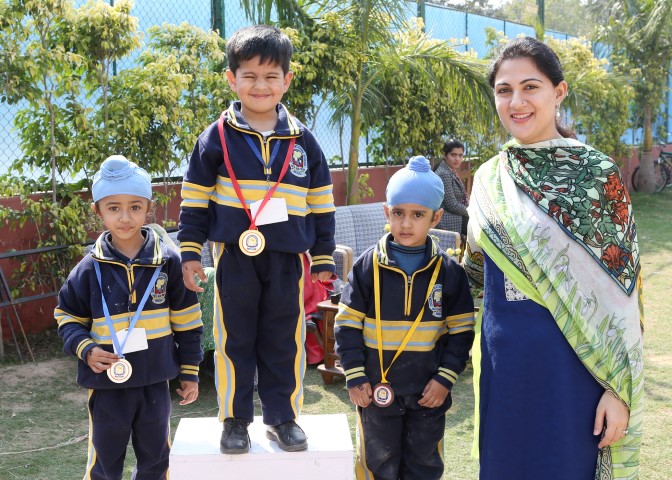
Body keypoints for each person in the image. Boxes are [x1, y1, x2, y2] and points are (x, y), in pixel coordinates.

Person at [464, 37, 643, 480]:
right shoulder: (489, 179)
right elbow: (475, 272)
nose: (517, 102)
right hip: (505, 372)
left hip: (575, 374)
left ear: (558, 92)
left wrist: (618, 391)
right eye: (504, 90)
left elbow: (623, 290)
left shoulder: (595, 175)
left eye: (531, 87)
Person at [178, 24, 336, 454]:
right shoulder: (215, 138)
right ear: (232, 79)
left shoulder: (304, 141)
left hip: (287, 258)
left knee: (284, 338)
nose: (260, 85)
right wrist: (190, 253)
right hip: (234, 255)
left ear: (287, 80)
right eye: (249, 75)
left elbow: (321, 202)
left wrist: (323, 255)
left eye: (271, 76)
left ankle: (283, 417)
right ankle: (234, 420)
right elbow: (194, 201)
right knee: (235, 340)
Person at [55, 155, 204, 480]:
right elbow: (66, 317)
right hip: (105, 385)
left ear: (148, 207)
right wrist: (86, 349)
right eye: (114, 208)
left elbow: (189, 322)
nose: (125, 217)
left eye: (135, 207)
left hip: (155, 380)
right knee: (104, 465)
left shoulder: (169, 263)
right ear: (98, 211)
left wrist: (190, 371)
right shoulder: (87, 270)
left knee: (156, 463)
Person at [334, 155, 475, 480]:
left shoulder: (449, 273)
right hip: (375, 391)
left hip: (428, 393)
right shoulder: (367, 267)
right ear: (387, 213)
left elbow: (461, 332)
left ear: (436, 217)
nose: (406, 224)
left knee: (424, 466)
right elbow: (347, 324)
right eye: (399, 213)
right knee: (377, 465)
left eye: (418, 215)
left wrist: (444, 379)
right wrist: (355, 375)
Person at [435, 139, 469, 237]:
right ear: (444, 155)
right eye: (453, 155)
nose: (457, 159)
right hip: (447, 219)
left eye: (460, 155)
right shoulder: (444, 173)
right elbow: (451, 204)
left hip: (453, 215)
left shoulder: (449, 170)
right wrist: (471, 211)